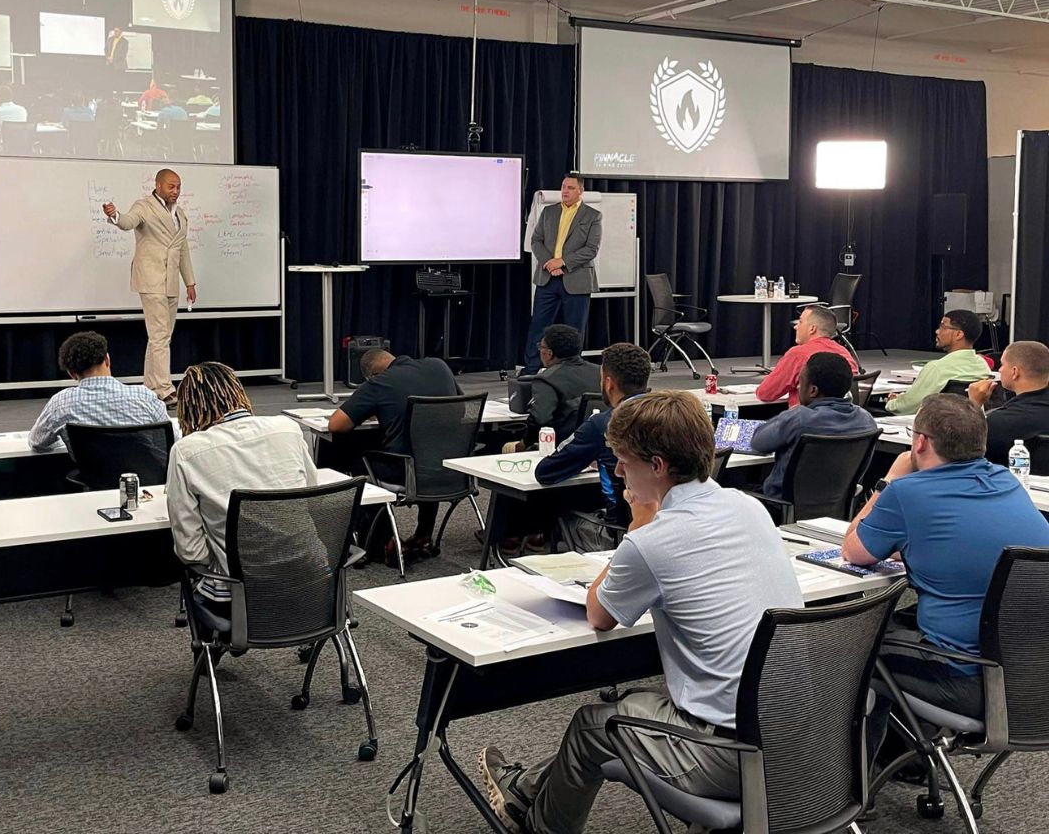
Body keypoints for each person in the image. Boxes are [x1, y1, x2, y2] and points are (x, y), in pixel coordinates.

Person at [479, 390, 804, 834]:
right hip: (805, 736)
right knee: (635, 703)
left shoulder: (651, 540)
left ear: (657, 466)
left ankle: (536, 825)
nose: (616, 470)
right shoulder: (749, 507)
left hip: (733, 756)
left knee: (592, 724)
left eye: (623, 459)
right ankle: (525, 792)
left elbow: (599, 614)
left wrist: (638, 523)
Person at [843, 393, 1049, 725]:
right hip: (1033, 678)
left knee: (852, 647)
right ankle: (907, 758)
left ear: (920, 443)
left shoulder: (906, 493)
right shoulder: (1007, 482)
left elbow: (853, 551)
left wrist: (890, 479)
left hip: (969, 680)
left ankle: (852, 773)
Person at [166, 362, 319, 610]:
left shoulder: (186, 451)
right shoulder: (288, 428)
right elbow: (312, 497)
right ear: (238, 391)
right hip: (312, 583)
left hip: (241, 597)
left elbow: (191, 551)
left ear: (188, 407)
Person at [328, 346, 459, 560]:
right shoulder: (439, 365)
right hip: (453, 471)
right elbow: (458, 408)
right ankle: (423, 534)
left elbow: (336, 425)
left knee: (358, 462)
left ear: (373, 374)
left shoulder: (380, 382)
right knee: (428, 450)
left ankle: (384, 543)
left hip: (408, 474)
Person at [535, 341, 651, 550]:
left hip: (621, 533)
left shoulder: (602, 424)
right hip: (674, 527)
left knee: (561, 517)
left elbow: (546, 472)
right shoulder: (673, 415)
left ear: (608, 383)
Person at [102, 168, 196, 406]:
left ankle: (151, 386)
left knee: (161, 336)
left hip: (171, 281)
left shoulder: (180, 214)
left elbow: (182, 249)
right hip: (152, 278)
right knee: (159, 335)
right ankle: (164, 389)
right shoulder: (144, 206)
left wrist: (190, 282)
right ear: (158, 185)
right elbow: (127, 222)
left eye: (178, 187)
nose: (176, 191)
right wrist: (115, 215)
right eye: (171, 186)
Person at [750, 351, 878, 500]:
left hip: (781, 506)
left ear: (812, 390)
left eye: (800, 382)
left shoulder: (799, 419)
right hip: (837, 507)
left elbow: (758, 442)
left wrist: (788, 415)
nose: (797, 388)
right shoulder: (866, 420)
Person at [28, 330, 167, 451]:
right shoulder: (145, 397)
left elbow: (37, 443)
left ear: (71, 373)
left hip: (93, 480)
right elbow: (171, 440)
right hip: (148, 479)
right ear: (107, 360)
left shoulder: (60, 404)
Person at [521, 174, 602, 375]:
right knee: (539, 326)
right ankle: (531, 370)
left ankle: (571, 372)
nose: (565, 191)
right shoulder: (549, 212)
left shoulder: (592, 215)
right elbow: (536, 241)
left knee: (574, 330)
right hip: (547, 278)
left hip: (576, 279)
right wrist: (550, 263)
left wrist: (563, 262)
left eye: (571, 188)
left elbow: (591, 249)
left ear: (580, 191)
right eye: (563, 186)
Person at [506, 325, 599, 452]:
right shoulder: (600, 372)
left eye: (541, 347)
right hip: (600, 444)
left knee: (505, 447)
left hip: (563, 448)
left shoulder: (546, 379)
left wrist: (524, 443)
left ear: (549, 353)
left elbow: (540, 419)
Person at [884, 309, 990, 415]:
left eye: (943, 327)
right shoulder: (982, 365)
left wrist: (891, 403)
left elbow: (910, 406)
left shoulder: (937, 368)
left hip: (939, 426)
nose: (937, 331)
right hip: (974, 424)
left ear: (959, 334)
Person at [755, 305, 858, 408]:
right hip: (845, 420)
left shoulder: (798, 354)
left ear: (812, 329)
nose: (795, 326)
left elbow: (765, 393)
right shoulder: (845, 353)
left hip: (806, 421)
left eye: (800, 322)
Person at [968, 340, 1049, 464]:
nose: (999, 370)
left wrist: (974, 404)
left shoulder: (998, 422)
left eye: (1002, 364)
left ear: (1014, 372)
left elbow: (966, 451)